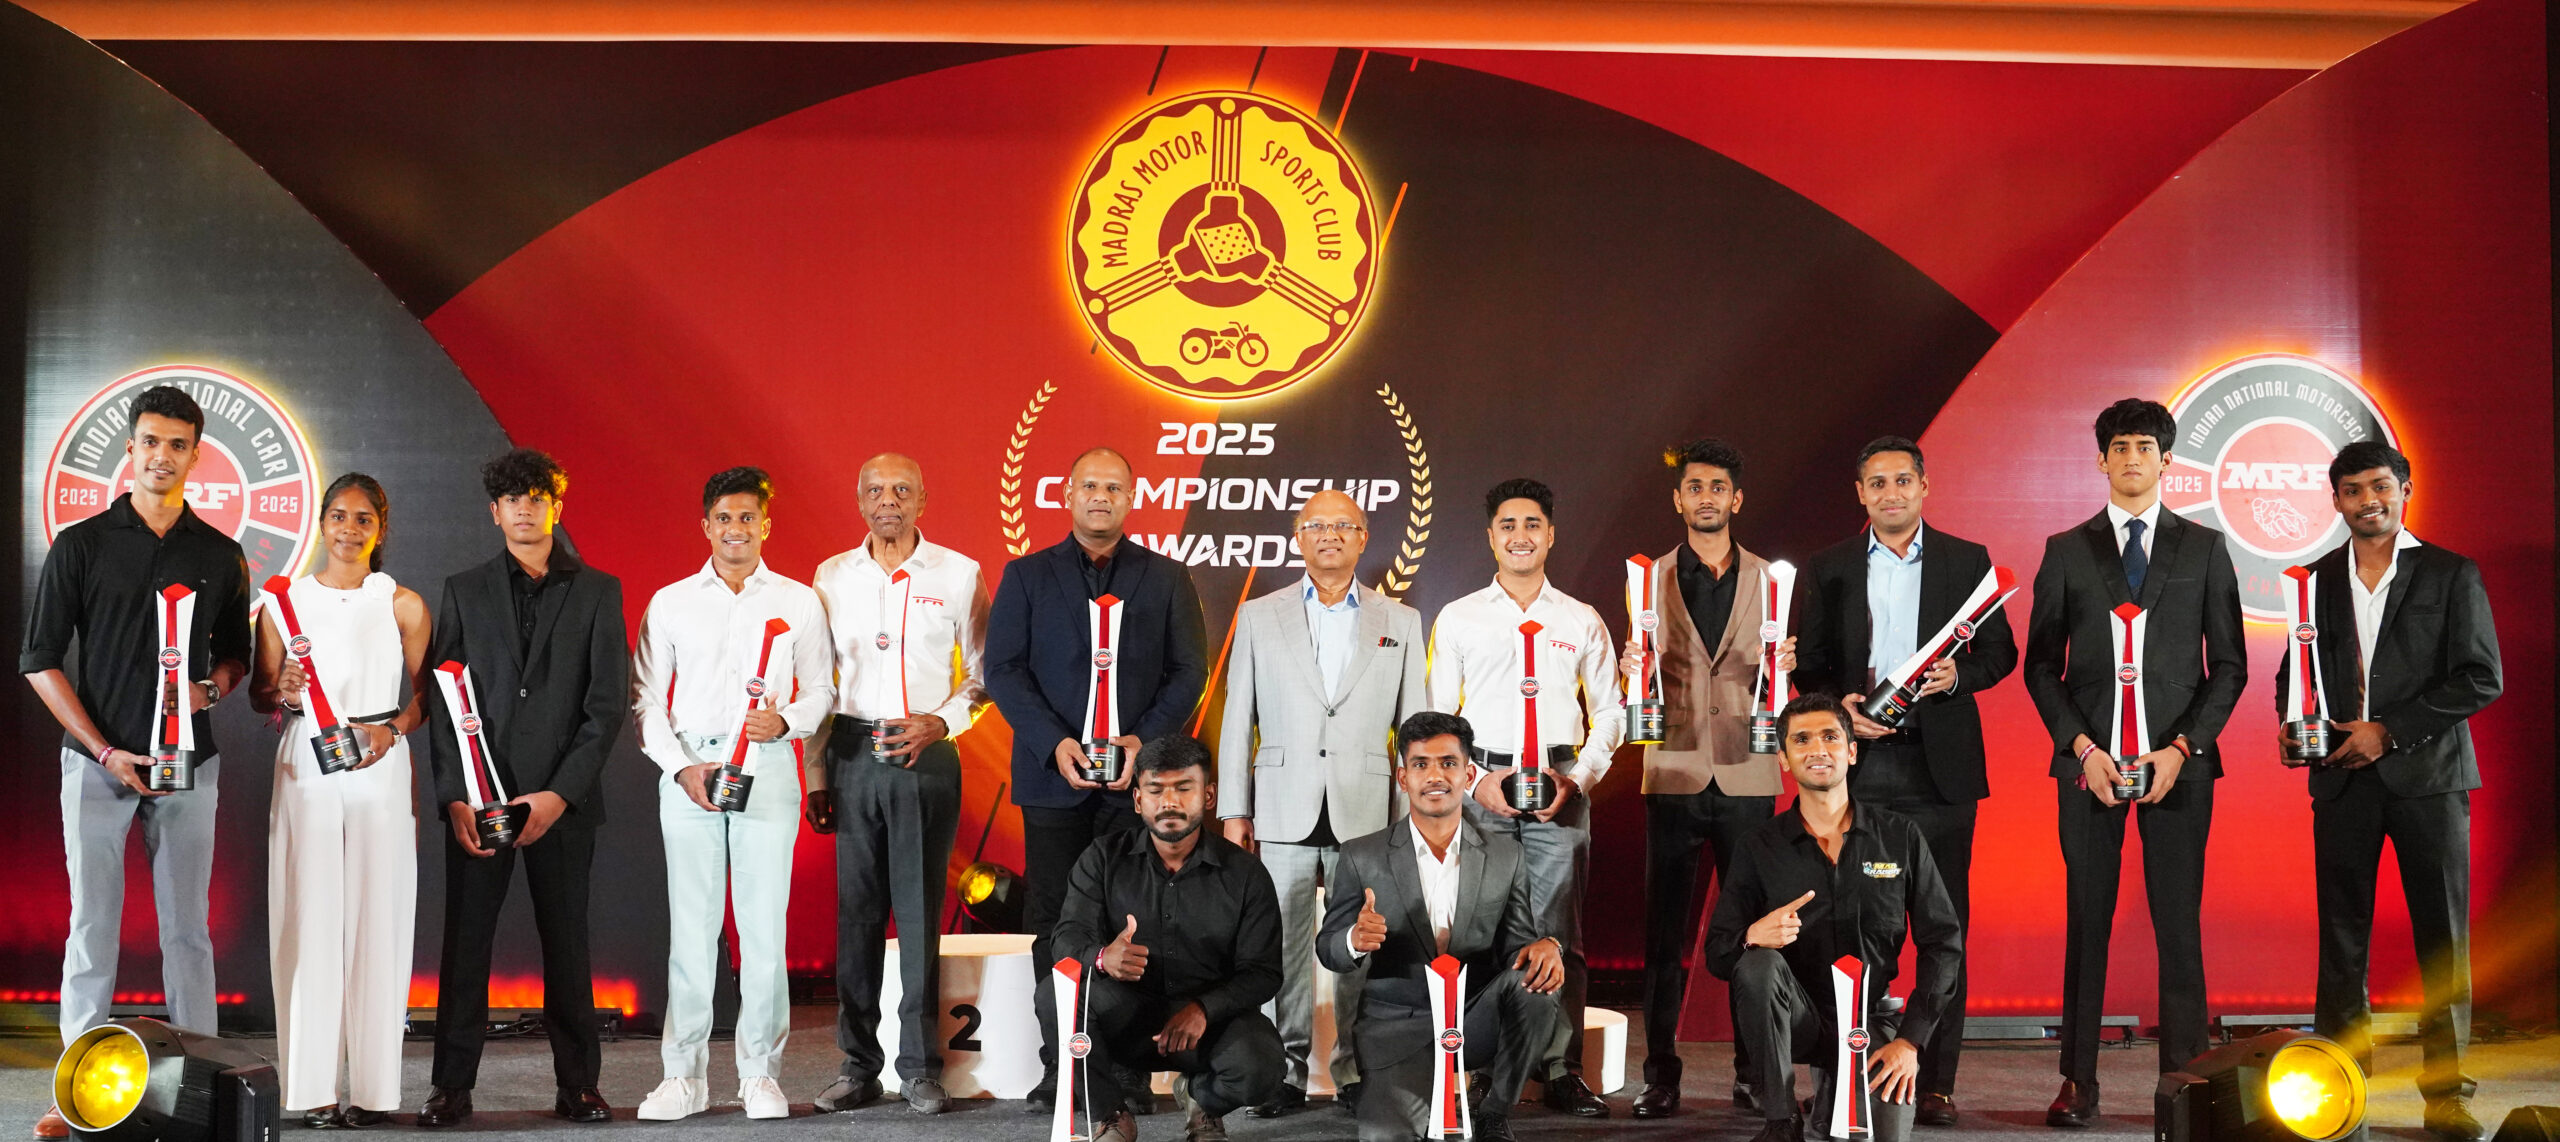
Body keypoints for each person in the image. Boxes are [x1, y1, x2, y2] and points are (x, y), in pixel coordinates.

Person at [21, 385, 252, 1141]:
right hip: (98, 765)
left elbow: (234, 659)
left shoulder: (219, 554)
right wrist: (104, 750)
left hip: (191, 767)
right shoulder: (82, 544)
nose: (162, 456)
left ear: (196, 454)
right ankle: (73, 1097)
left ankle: (205, 1091)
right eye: (150, 441)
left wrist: (211, 687)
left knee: (189, 931)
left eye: (178, 444)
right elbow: (40, 662)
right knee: (93, 927)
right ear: (130, 447)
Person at [2022, 399, 2245, 1127]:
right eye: (2118, 447)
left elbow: (2230, 668)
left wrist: (2185, 749)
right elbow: (2040, 670)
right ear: (2100, 460)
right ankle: (2077, 1081)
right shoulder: (2065, 549)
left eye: (2145, 446)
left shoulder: (2206, 548)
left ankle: (2184, 1082)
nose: (2131, 458)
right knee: (2087, 921)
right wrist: (2081, 749)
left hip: (2178, 768)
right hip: (2089, 769)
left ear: (2167, 460)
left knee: (2179, 924)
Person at [2274, 441, 2500, 1142]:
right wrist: (2292, 729)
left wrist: (2388, 732)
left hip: (2429, 782)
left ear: (2404, 488)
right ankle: (2341, 1094)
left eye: (2379, 486)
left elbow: (2479, 678)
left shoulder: (2450, 573)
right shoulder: (2311, 582)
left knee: (2444, 943)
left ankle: (2448, 1096)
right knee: (2341, 942)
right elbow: (2295, 676)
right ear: (2335, 500)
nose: (2367, 499)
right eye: (2351, 490)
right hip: (2341, 783)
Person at [1792, 436, 2017, 1126]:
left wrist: (1959, 676)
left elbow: (2002, 652)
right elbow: (1813, 667)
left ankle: (1937, 1080)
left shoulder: (1965, 561)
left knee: (1944, 926)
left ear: (1925, 486)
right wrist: (1840, 710)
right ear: (1860, 494)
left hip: (1938, 767)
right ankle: (1846, 1073)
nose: (1890, 493)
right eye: (1876, 483)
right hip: (1859, 767)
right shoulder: (1829, 567)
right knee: (1850, 924)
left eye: (1902, 481)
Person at [986, 446, 1209, 1111]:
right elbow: (1004, 671)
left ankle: (1127, 1072)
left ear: (1131, 498)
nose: (1101, 496)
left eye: (1115, 486)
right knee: (1055, 922)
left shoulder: (1168, 578)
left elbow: (1188, 674)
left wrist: (1144, 746)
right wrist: (1053, 742)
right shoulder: (1026, 576)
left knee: (1137, 923)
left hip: (1136, 789)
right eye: (1089, 485)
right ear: (1066, 494)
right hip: (1054, 782)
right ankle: (1062, 1068)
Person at [417, 448, 630, 1127]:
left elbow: (606, 707)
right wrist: (455, 794)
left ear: (556, 506)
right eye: (513, 499)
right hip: (478, 804)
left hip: (560, 803)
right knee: (466, 942)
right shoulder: (463, 588)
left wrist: (558, 794)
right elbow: (442, 698)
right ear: (495, 512)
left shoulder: (599, 590)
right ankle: (451, 1087)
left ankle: (579, 1087)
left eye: (538, 497)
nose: (526, 509)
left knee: (568, 944)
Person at [1214, 489, 1427, 1116]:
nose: (1329, 535)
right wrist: (1233, 811)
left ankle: (1356, 1070)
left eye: (1343, 526)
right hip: (1279, 806)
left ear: (1364, 538)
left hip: (1368, 810)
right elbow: (1237, 721)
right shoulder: (1258, 615)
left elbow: (1414, 727)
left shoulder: (1402, 621)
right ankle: (1286, 1070)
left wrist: (1411, 819)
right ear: (1297, 538)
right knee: (1280, 946)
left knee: (1361, 944)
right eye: (1315, 526)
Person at [629, 468, 833, 1121]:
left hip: (768, 767)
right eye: (724, 518)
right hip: (691, 766)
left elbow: (821, 692)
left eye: (748, 518)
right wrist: (681, 768)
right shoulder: (671, 601)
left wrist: (787, 722)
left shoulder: (799, 601)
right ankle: (682, 1077)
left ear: (765, 525)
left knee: (765, 931)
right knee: (691, 932)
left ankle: (760, 1075)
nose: (736, 529)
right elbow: (645, 700)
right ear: (706, 525)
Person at [1426, 477, 1623, 1118]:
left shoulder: (1580, 618)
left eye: (1532, 524)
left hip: (1561, 785)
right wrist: (1473, 781)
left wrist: (1580, 778)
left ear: (1551, 534)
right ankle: (1484, 1063)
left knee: (1559, 929)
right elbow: (1435, 715)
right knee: (1483, 927)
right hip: (1483, 788)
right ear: (1490, 536)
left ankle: (1559, 1067)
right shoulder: (1459, 616)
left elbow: (1612, 712)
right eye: (1508, 525)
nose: (1521, 536)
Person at [807, 453, 989, 1115]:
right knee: (857, 918)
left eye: (903, 489)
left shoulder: (960, 573)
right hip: (853, 751)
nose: (890, 500)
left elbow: (985, 674)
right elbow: (818, 681)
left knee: (916, 917)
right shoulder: (831, 575)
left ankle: (920, 1070)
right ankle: (858, 1068)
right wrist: (817, 771)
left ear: (923, 499)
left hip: (927, 753)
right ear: (859, 500)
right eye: (877, 490)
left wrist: (939, 724)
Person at [249, 474, 431, 1128]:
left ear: (380, 528)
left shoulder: (403, 603)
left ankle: (376, 1092)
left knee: (381, 917)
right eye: (337, 516)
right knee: (308, 915)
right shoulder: (281, 604)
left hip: (379, 760)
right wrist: (284, 689)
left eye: (363, 519)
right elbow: (262, 694)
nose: (348, 530)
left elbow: (425, 699)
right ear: (321, 523)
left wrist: (390, 731)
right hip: (307, 760)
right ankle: (312, 1090)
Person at [1618, 439, 1790, 1118]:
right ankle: (1661, 1073)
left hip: (1750, 773)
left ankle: (1754, 1071)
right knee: (1663, 939)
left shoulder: (1774, 580)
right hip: (1675, 770)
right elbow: (1641, 682)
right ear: (1679, 499)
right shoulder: (1645, 579)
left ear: (1736, 499)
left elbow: (1782, 682)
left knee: (1755, 930)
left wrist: (1786, 667)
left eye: (1718, 487)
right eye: (1695, 487)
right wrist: (1636, 664)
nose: (1706, 498)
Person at [1704, 694, 1964, 1142]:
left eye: (1830, 737)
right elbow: (1719, 953)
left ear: (1852, 750)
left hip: (1870, 1024)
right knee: (1759, 962)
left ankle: (1832, 1099)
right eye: (1801, 740)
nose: (1817, 750)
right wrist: (1752, 935)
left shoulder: (1900, 837)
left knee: (1880, 1133)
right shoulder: (1758, 846)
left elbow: (1942, 942)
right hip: (1797, 1020)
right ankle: (1780, 1120)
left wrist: (1910, 1041)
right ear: (1783, 759)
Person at [1318, 711, 1565, 1142]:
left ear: (1468, 773)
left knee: (1537, 980)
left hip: (1474, 1020)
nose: (1435, 775)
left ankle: (1493, 1109)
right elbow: (1328, 949)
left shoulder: (1505, 855)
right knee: (1386, 1137)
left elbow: (1517, 947)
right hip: (1397, 1026)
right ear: (1402, 776)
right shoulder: (1362, 854)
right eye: (1421, 764)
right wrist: (1354, 940)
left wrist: (1547, 944)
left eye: (1448, 763)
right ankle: (1418, 1094)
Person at [1051, 736, 1285, 1142]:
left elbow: (1263, 973)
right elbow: (1065, 940)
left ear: (1208, 796)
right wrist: (1105, 958)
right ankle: (1111, 1114)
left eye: (1184, 788)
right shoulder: (1102, 858)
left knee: (1262, 1067)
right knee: (1054, 996)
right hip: (1125, 1017)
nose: (1169, 802)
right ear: (1138, 800)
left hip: (1207, 1026)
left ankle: (1200, 1099)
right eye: (1156, 790)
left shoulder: (1245, 874)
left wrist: (1203, 1008)